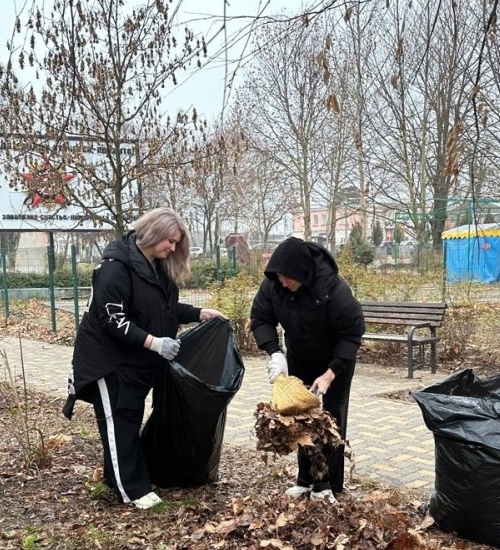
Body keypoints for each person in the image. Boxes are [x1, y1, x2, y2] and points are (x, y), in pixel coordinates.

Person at [64, 208, 226, 510]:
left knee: (129, 419)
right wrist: (155, 343)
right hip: (108, 363)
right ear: (152, 235)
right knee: (119, 424)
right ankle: (133, 491)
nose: (173, 248)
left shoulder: (155, 267)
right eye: (170, 241)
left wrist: (198, 314)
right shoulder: (115, 269)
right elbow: (113, 319)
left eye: (177, 243)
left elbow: (163, 308)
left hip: (137, 362)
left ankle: (117, 480)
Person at [250, 236, 365, 503]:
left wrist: (329, 374)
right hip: (300, 356)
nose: (283, 282)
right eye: (278, 276)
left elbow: (352, 334)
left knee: (330, 420)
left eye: (288, 277)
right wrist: (275, 352)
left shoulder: (333, 289)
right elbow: (260, 318)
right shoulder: (274, 286)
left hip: (335, 360)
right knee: (300, 415)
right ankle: (306, 479)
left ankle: (328, 485)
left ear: (303, 273)